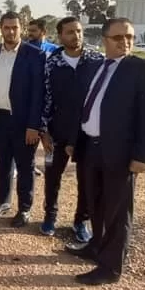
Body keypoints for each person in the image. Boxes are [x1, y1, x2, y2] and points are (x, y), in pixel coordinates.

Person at [66, 17, 145, 286]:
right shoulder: (98, 67)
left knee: (118, 212)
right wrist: (75, 140)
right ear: (104, 40)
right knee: (95, 203)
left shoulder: (142, 69)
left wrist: (143, 156)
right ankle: (96, 246)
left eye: (129, 37)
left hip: (119, 152)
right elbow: (87, 105)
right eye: (118, 37)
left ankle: (110, 267)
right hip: (91, 146)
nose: (125, 42)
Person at [41, 16, 102, 242]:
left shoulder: (97, 61)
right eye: (70, 32)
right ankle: (50, 216)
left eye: (78, 31)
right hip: (58, 131)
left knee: (86, 179)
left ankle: (80, 221)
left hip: (87, 133)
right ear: (60, 36)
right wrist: (44, 130)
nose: (76, 36)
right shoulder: (51, 64)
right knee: (52, 177)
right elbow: (45, 98)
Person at [0, 12, 46, 227]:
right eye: (7, 27)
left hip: (23, 121)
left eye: (15, 27)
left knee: (25, 165)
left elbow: (38, 93)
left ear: (21, 29)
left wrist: (34, 126)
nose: (11, 32)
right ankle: (2, 201)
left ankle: (24, 209)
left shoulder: (35, 55)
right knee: (4, 162)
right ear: (1, 29)